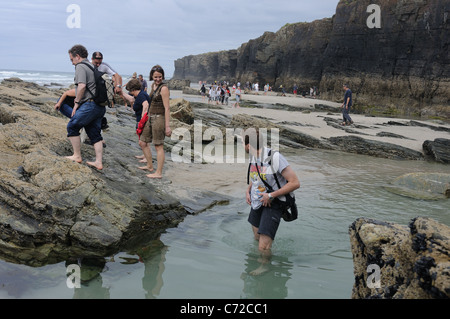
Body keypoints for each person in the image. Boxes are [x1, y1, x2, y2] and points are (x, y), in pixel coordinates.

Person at [244, 130, 300, 272]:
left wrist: (271, 195)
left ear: (248, 145)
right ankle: (263, 255)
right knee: (257, 237)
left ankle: (264, 267)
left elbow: (295, 182)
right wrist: (248, 190)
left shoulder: (274, 157)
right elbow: (256, 176)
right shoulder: (253, 157)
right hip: (258, 200)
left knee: (263, 246)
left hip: (275, 202)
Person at [65, 44, 106, 170]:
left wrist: (76, 103)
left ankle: (77, 155)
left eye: (72, 59)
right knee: (94, 134)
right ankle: (98, 162)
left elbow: (82, 86)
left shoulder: (81, 66)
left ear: (77, 56)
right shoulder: (92, 66)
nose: (72, 63)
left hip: (90, 104)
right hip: (99, 106)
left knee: (72, 125)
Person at [139, 65, 172, 179]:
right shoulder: (153, 85)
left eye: (160, 77)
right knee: (143, 142)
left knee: (158, 146)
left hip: (159, 118)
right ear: (152, 77)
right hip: (150, 117)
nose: (158, 79)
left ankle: (158, 173)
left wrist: (167, 126)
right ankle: (149, 165)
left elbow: (167, 108)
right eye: (156, 77)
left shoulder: (164, 88)